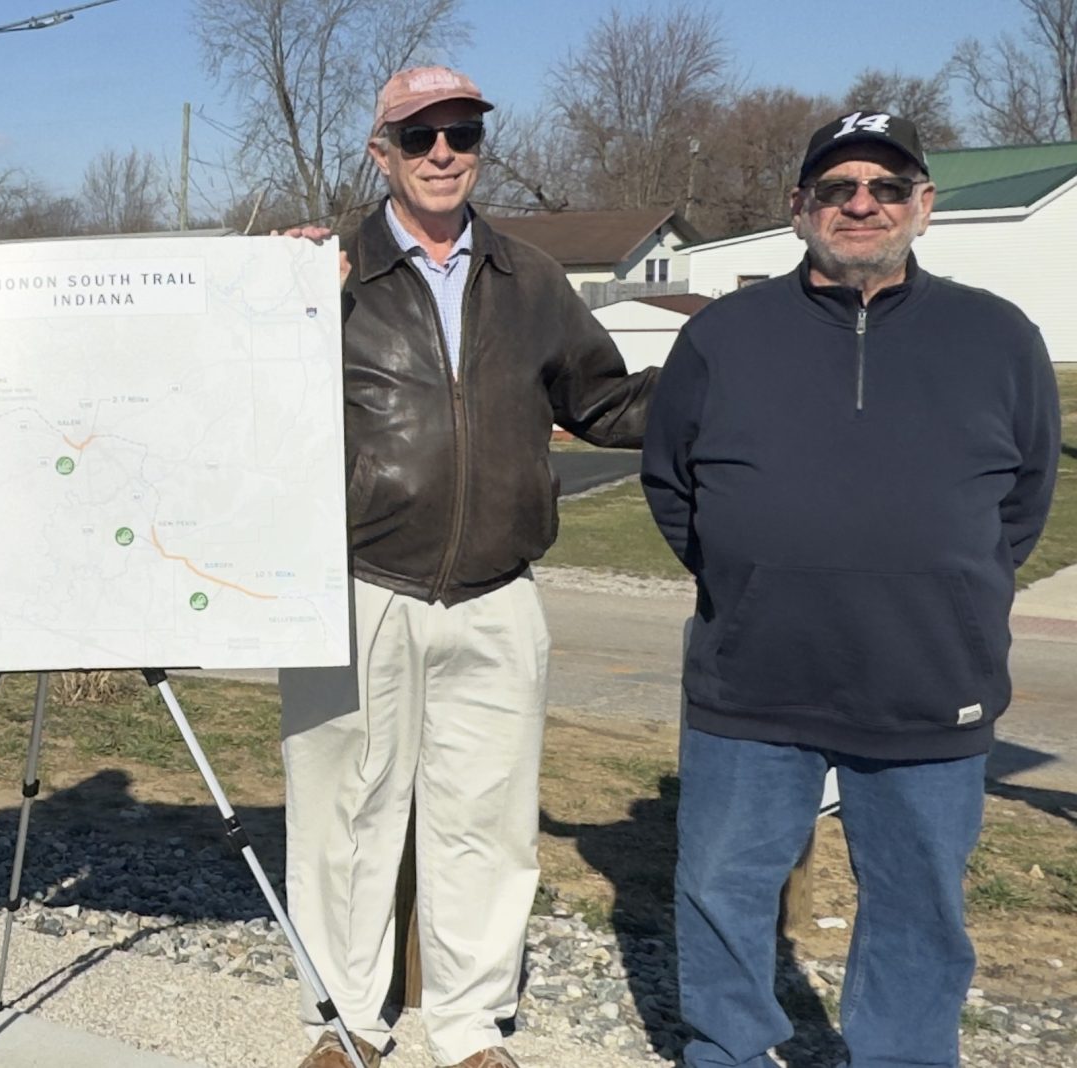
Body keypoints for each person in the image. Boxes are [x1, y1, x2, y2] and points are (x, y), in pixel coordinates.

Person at [643, 111, 1057, 1068]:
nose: (860, 204)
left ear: (924, 206)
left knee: (919, 904)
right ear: (800, 210)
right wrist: (747, 577)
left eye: (885, 186)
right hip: (751, 682)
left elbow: (1025, 500)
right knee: (722, 894)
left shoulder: (997, 336)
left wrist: (953, 587)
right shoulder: (723, 337)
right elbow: (672, 485)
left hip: (928, 680)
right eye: (836, 188)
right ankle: (728, 1052)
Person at [275, 67, 661, 1068]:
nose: (442, 152)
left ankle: (468, 1027)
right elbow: (235, 396)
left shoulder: (528, 278)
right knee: (343, 821)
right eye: (418, 136)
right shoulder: (325, 274)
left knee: (485, 825)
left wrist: (729, 379)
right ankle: (343, 1023)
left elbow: (605, 402)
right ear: (380, 155)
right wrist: (269, 294)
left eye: (461, 133)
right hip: (356, 588)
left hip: (497, 595)